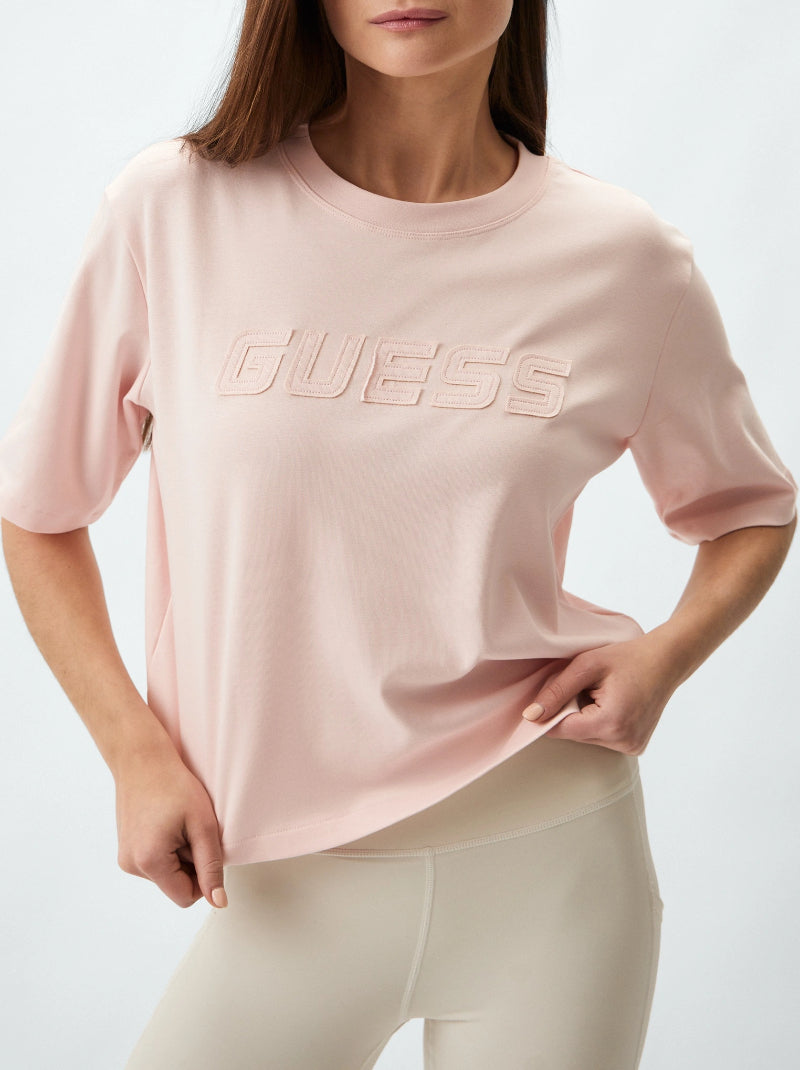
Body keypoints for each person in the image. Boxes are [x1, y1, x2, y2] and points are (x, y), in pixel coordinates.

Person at [0, 1, 796, 1067]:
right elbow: (36, 511)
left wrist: (665, 657)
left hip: (550, 853)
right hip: (280, 877)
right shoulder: (175, 209)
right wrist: (134, 753)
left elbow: (751, 506)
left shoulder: (622, 258)